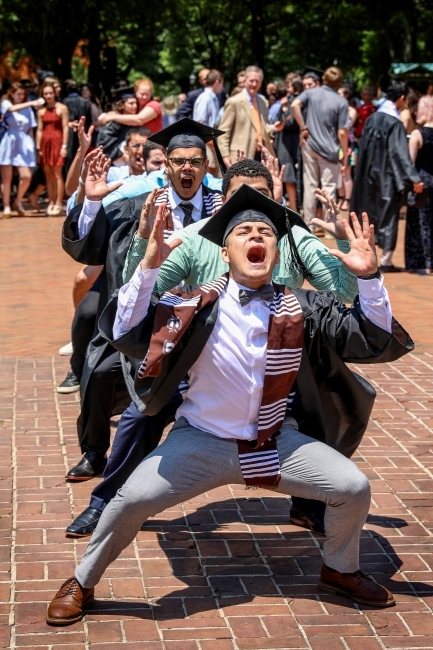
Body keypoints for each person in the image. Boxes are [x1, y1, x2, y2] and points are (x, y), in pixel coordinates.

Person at [46, 184, 413, 625]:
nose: (256, 236)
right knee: (128, 502)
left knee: (352, 488)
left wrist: (369, 279)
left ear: (275, 253)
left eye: (265, 232)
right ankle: (82, 582)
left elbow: (372, 339)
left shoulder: (305, 307)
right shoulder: (192, 307)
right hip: (200, 442)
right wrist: (146, 266)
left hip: (275, 442)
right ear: (224, 253)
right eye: (244, 232)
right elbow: (127, 329)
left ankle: (339, 569)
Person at [65, 158, 361, 538]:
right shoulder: (196, 236)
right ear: (222, 199)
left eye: (263, 197)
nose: (252, 209)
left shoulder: (291, 237)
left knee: (315, 412)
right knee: (140, 417)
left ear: (275, 200)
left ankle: (308, 506)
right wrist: (147, 250)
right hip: (202, 363)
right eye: (241, 197)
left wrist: (344, 243)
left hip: (280, 367)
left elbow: (341, 293)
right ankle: (105, 503)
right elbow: (143, 294)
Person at [61, 119, 225, 481]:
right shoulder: (143, 206)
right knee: (100, 370)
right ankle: (93, 452)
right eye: (178, 160)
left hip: (206, 317)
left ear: (205, 166)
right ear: (166, 164)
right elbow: (89, 243)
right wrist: (90, 201)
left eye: (195, 162)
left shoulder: (223, 209)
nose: (186, 168)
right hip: (144, 316)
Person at [351, 80, 424, 272]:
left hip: (367, 173)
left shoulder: (372, 119)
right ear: (401, 99)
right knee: (389, 214)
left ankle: (368, 254)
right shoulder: (394, 123)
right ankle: (386, 260)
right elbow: (400, 153)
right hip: (386, 176)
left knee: (369, 210)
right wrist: (414, 177)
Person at [291, 66, 350, 230]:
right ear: (338, 83)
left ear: (323, 79)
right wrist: (344, 153)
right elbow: (342, 133)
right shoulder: (341, 102)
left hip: (309, 145)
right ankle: (329, 227)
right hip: (330, 150)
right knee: (328, 188)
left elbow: (295, 105)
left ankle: (309, 225)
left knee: (310, 185)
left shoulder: (311, 93)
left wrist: (303, 127)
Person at [0, 82, 43, 218]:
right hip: (9, 140)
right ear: (11, 94)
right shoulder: (5, 103)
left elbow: (31, 128)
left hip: (24, 143)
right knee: (7, 177)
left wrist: (33, 147)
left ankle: (17, 200)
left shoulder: (27, 109)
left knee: (26, 176)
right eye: (18, 94)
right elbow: (11, 109)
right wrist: (31, 103)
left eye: (23, 94)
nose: (21, 96)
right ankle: (6, 205)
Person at [218, 65, 275, 167]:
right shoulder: (234, 102)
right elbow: (223, 132)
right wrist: (225, 155)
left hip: (261, 155)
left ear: (261, 83)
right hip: (240, 155)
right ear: (245, 81)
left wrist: (272, 129)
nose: (254, 84)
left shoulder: (263, 102)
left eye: (257, 81)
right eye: (251, 81)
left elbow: (262, 126)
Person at [405, 95, 433, 274]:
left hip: (421, 184)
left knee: (420, 223)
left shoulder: (417, 134)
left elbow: (409, 163)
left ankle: (423, 262)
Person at [36, 82, 69, 215]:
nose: (48, 96)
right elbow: (39, 129)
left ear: (55, 93)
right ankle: (51, 201)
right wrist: (38, 147)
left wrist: (64, 146)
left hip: (57, 142)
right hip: (45, 143)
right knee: (48, 175)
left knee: (57, 174)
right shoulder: (41, 110)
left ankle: (59, 202)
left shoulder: (62, 108)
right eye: (45, 93)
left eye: (50, 93)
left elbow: (66, 127)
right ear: (42, 95)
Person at [273, 76, 303, 211]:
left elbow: (291, 123)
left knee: (289, 177)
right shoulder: (291, 101)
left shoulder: (292, 102)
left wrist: (285, 108)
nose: (287, 89)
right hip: (285, 143)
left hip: (289, 145)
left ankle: (294, 210)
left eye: (289, 86)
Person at [99, 78, 163, 134]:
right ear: (135, 92)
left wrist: (112, 117)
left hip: (155, 143)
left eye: (147, 94)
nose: (144, 97)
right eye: (142, 94)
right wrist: (109, 114)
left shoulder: (154, 105)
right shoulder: (135, 107)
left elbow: (139, 120)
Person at [193, 69, 224, 175]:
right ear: (217, 81)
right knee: (210, 173)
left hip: (211, 141)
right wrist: (211, 142)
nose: (222, 86)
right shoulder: (205, 99)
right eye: (222, 83)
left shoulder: (213, 98)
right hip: (206, 142)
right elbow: (199, 124)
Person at [96, 88, 138, 164]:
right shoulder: (114, 124)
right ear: (122, 105)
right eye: (131, 103)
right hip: (116, 166)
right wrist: (122, 156)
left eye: (136, 103)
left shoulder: (134, 123)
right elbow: (105, 144)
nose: (135, 106)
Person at [63, 79, 92, 174]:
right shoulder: (85, 102)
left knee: (69, 159)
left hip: (69, 133)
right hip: (83, 132)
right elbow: (89, 120)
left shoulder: (64, 102)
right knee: (81, 158)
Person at [337, 87, 358, 211]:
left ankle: (347, 200)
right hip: (337, 144)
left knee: (346, 173)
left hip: (349, 144)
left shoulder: (352, 110)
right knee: (339, 172)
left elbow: (347, 126)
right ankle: (341, 197)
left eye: (339, 93)